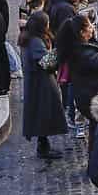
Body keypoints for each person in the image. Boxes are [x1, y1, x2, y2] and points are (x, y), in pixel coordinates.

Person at [58, 14, 98, 149]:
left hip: (88, 96)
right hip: (94, 98)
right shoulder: (82, 53)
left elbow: (97, 45)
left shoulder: (79, 46)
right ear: (82, 32)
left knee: (96, 128)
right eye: (90, 25)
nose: (92, 27)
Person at [19, 10, 67, 160]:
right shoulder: (35, 41)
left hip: (37, 82)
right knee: (43, 114)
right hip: (41, 83)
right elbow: (46, 62)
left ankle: (44, 145)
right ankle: (43, 148)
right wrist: (60, 51)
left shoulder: (28, 38)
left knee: (41, 114)